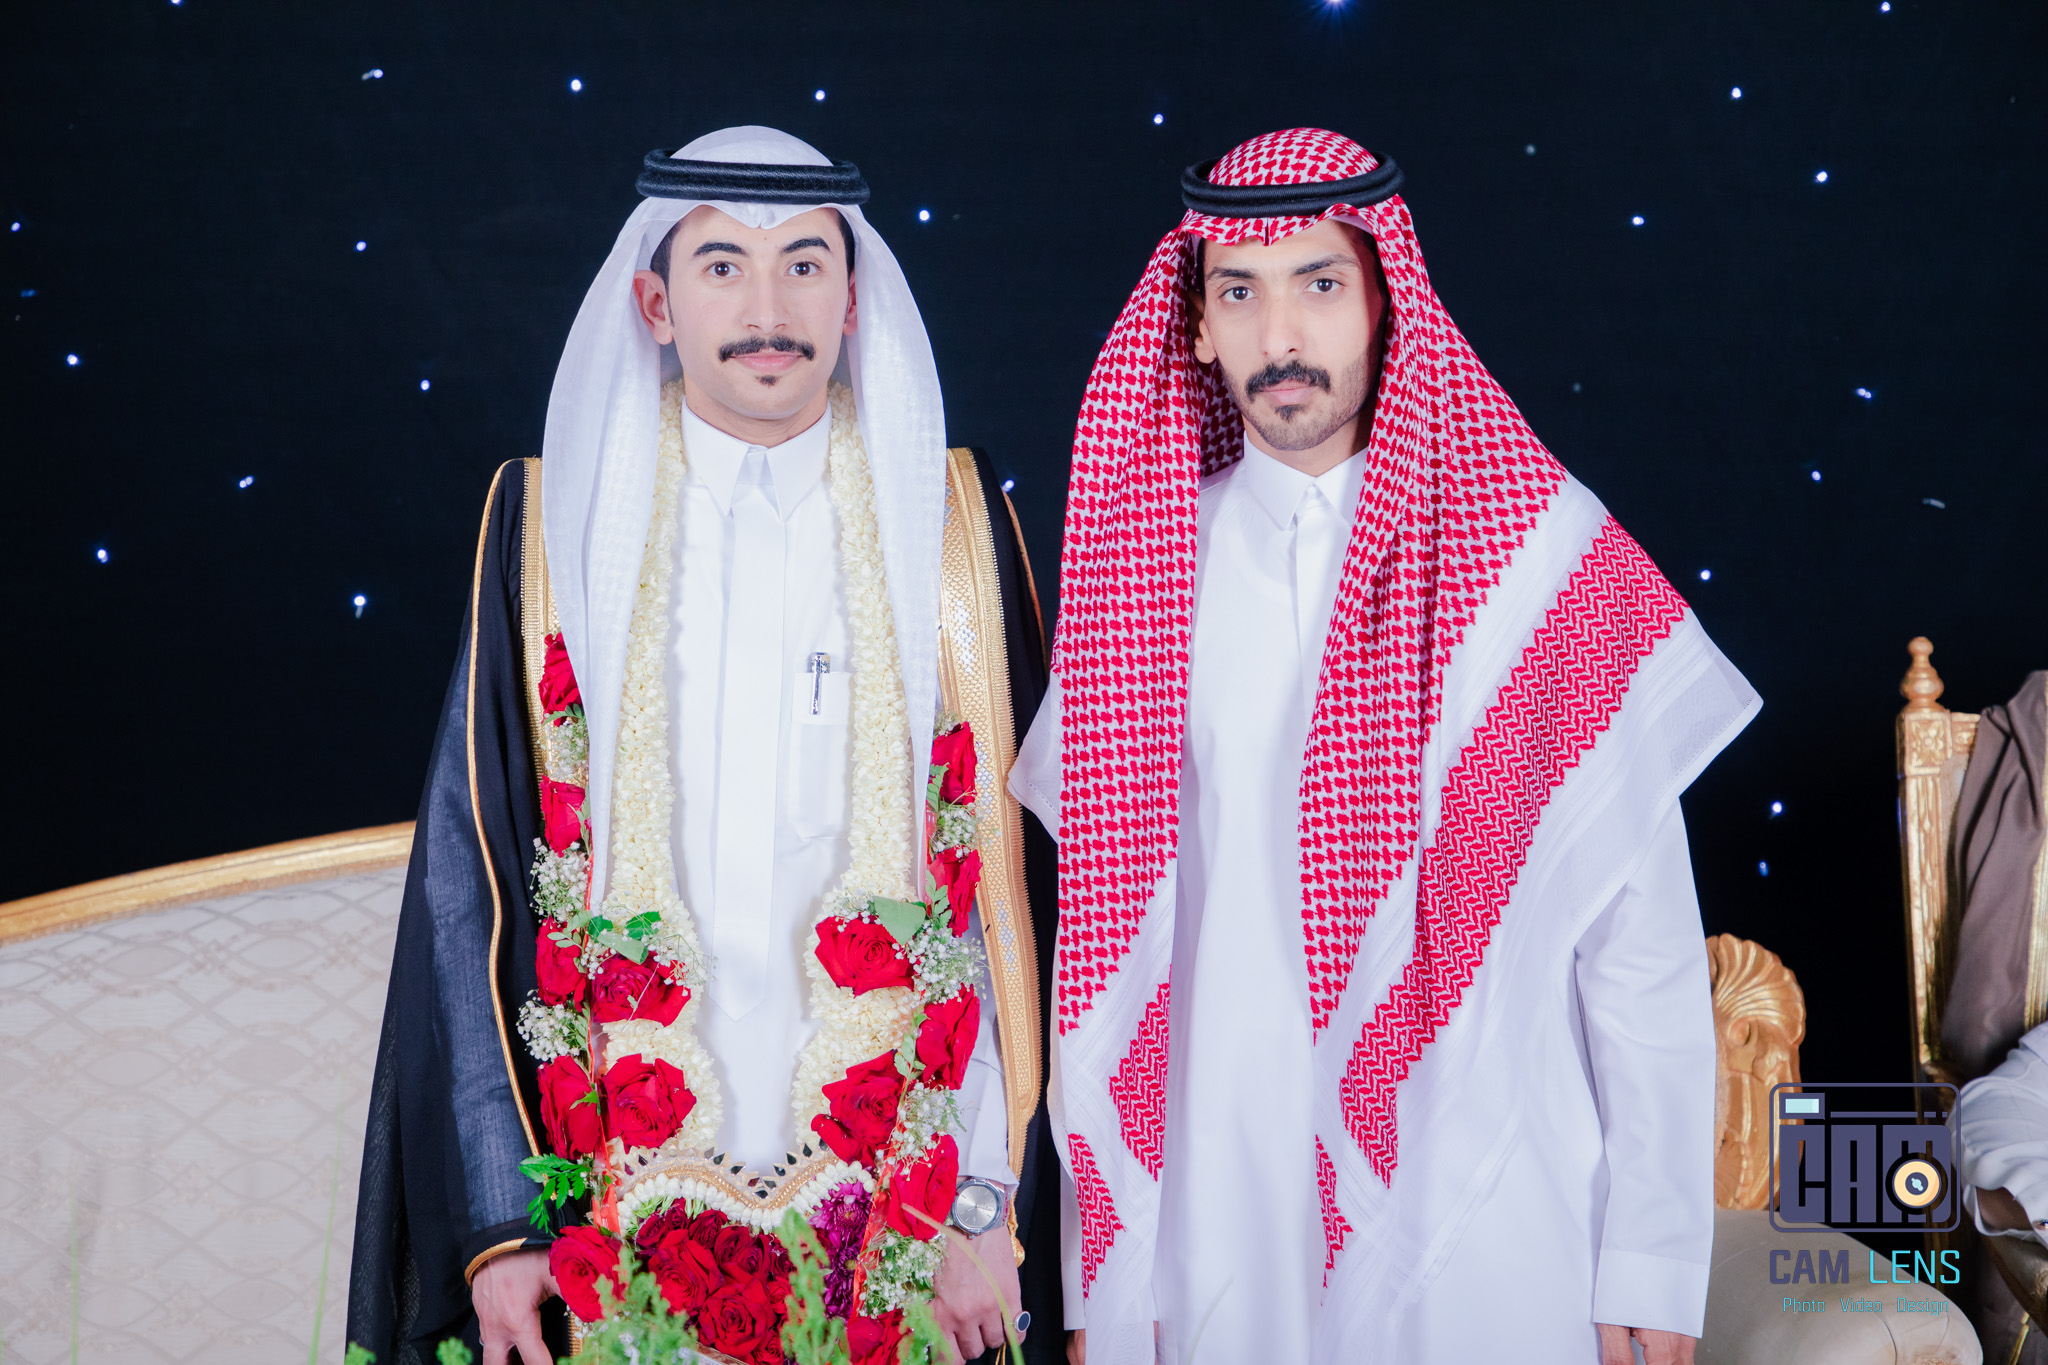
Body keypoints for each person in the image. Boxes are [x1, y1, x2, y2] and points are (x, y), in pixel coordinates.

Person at [1009, 128, 1758, 1364]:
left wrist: (1653, 1256)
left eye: (1318, 284)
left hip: (1486, 1205)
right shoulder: (1140, 575)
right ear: (1194, 329)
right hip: (1215, 1209)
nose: (1279, 336)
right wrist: (1104, 1276)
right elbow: (1102, 955)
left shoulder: (1532, 565)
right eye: (1238, 294)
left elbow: (1640, 947)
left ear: (1384, 301)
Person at [347, 126, 1061, 1365]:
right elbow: (471, 887)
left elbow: (1009, 894)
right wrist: (505, 1225)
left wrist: (979, 1202)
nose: (767, 309)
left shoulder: (947, 529)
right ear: (655, 305)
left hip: (905, 1212)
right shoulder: (552, 529)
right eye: (722, 266)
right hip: (610, 1200)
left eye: (804, 266)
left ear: (852, 301)